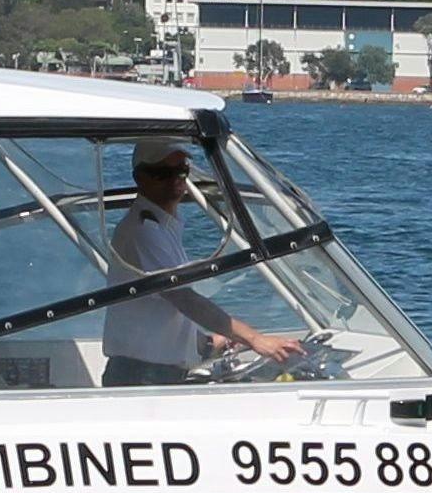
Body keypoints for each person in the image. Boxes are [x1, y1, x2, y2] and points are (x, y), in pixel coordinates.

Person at [100, 140, 307, 386]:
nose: (175, 179)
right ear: (140, 178)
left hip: (151, 372)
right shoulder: (144, 232)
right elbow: (185, 300)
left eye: (182, 171)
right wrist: (255, 340)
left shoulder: (161, 226)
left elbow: (158, 315)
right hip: (143, 376)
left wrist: (214, 342)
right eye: (162, 173)